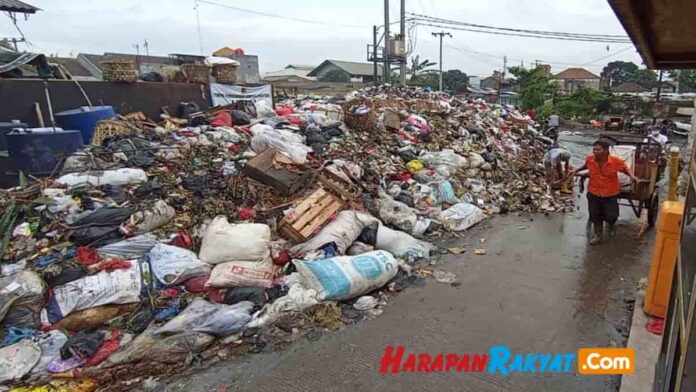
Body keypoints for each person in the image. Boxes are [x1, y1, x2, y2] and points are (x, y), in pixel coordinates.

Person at [573, 140, 643, 244]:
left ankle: (611, 225)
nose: (595, 151)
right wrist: (576, 171)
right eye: (594, 149)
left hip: (610, 193)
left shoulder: (616, 162)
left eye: (598, 150)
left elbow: (625, 170)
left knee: (612, 216)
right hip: (593, 192)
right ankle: (598, 235)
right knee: (594, 215)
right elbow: (585, 166)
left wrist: (634, 178)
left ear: (606, 151)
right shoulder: (590, 159)